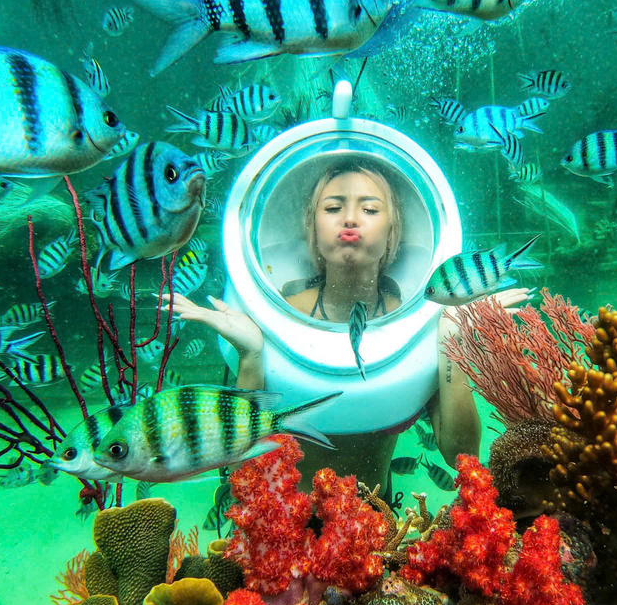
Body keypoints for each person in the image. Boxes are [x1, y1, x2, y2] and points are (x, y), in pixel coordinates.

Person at [164, 159, 530, 489]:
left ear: (392, 232)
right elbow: (235, 465)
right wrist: (251, 356)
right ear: (313, 229)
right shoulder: (268, 318)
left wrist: (454, 339)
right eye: (333, 207)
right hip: (279, 525)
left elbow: (461, 455)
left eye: (369, 208)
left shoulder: (422, 321)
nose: (350, 219)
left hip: (377, 527)